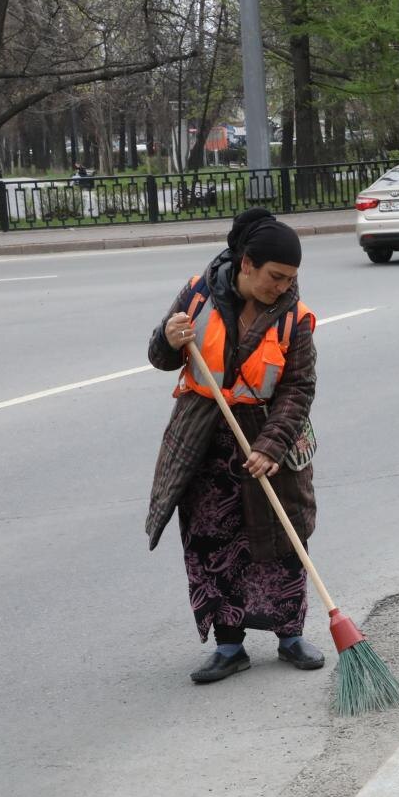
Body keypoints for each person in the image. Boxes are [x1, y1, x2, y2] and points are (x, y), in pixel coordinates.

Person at [145, 208, 323, 684]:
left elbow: (298, 388)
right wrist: (168, 336)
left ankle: (290, 636)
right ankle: (229, 647)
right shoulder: (198, 293)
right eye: (275, 276)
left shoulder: (295, 319)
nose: (283, 287)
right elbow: (160, 355)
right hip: (205, 438)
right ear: (246, 265)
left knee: (284, 537)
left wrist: (271, 445)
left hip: (268, 436)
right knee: (210, 541)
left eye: (290, 278)